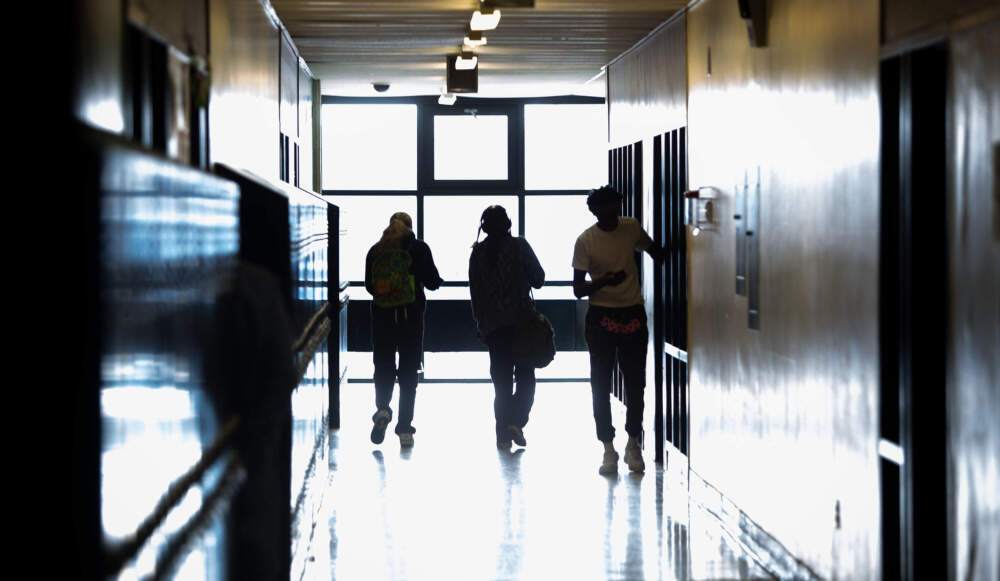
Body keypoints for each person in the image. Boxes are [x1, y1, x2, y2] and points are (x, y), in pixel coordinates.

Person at [572, 186, 665, 475]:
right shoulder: (585, 241)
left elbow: (653, 250)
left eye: (615, 206)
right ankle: (608, 448)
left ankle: (633, 443)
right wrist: (604, 282)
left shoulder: (631, 228)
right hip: (601, 316)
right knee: (599, 383)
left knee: (636, 383)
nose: (612, 212)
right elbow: (577, 289)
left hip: (633, 312)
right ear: (594, 211)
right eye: (605, 208)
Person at [469, 205, 545, 450]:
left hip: (493, 326)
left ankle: (502, 435)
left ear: (484, 227)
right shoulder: (519, 246)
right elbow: (539, 279)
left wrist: (480, 323)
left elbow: (475, 294)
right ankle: (517, 421)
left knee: (501, 383)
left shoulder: (477, 253)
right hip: (521, 322)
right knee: (526, 378)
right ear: (509, 223)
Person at [365, 212, 442, 447]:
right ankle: (405, 427)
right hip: (411, 319)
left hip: (382, 318)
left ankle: (383, 409)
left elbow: (370, 286)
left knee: (384, 366)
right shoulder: (418, 248)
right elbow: (432, 281)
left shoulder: (375, 250)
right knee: (409, 373)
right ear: (410, 228)